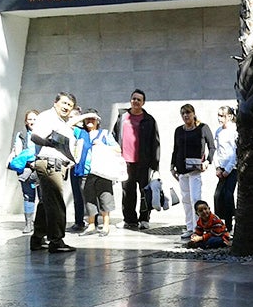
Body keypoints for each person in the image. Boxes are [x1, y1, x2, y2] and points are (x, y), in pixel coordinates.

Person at [29, 92, 80, 253]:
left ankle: (37, 238)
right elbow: (35, 137)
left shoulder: (63, 122)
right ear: (55, 103)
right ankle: (56, 240)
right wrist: (50, 143)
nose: (66, 107)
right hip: (49, 163)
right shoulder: (47, 117)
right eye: (64, 103)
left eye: (69, 105)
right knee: (56, 202)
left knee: (47, 202)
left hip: (58, 165)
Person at [113, 89, 160, 230]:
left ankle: (144, 219)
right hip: (125, 162)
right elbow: (114, 136)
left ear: (143, 103)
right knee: (127, 192)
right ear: (130, 100)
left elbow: (155, 143)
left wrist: (155, 166)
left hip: (143, 163)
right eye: (134, 99)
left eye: (139, 100)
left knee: (145, 192)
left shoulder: (149, 120)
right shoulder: (122, 117)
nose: (136, 102)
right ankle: (129, 220)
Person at [170, 104, 216, 240]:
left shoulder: (202, 128)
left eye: (188, 113)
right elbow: (175, 149)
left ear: (193, 113)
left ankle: (199, 227)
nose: (186, 116)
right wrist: (172, 166)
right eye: (183, 113)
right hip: (182, 169)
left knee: (195, 198)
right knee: (185, 199)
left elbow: (212, 147)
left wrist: (208, 161)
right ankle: (190, 227)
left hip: (195, 169)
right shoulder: (179, 130)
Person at [76, 110, 120, 237]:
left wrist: (102, 145)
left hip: (102, 172)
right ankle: (91, 225)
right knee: (88, 199)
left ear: (98, 121)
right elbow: (69, 125)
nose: (90, 121)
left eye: (93, 119)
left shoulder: (104, 134)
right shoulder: (80, 133)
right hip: (85, 171)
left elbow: (118, 149)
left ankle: (106, 225)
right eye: (87, 119)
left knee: (105, 197)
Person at [11, 109, 40, 234]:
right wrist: (29, 163)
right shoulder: (21, 134)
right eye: (30, 119)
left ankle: (42, 223)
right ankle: (28, 223)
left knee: (44, 197)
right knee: (28, 196)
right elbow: (18, 152)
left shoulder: (44, 133)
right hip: (27, 169)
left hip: (41, 167)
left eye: (34, 119)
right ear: (26, 121)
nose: (32, 121)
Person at [214, 106, 238, 234]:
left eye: (222, 115)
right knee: (218, 196)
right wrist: (217, 167)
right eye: (218, 115)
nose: (219, 118)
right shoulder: (218, 131)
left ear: (229, 116)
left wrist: (228, 169)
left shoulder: (234, 131)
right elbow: (217, 151)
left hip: (232, 168)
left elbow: (235, 152)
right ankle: (220, 221)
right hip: (221, 167)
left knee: (228, 195)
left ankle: (230, 224)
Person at [67, 106, 87, 233]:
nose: (69, 120)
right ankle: (78, 221)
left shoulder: (82, 131)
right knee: (77, 196)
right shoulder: (68, 131)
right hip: (73, 168)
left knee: (88, 197)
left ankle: (91, 221)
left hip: (84, 168)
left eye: (72, 117)